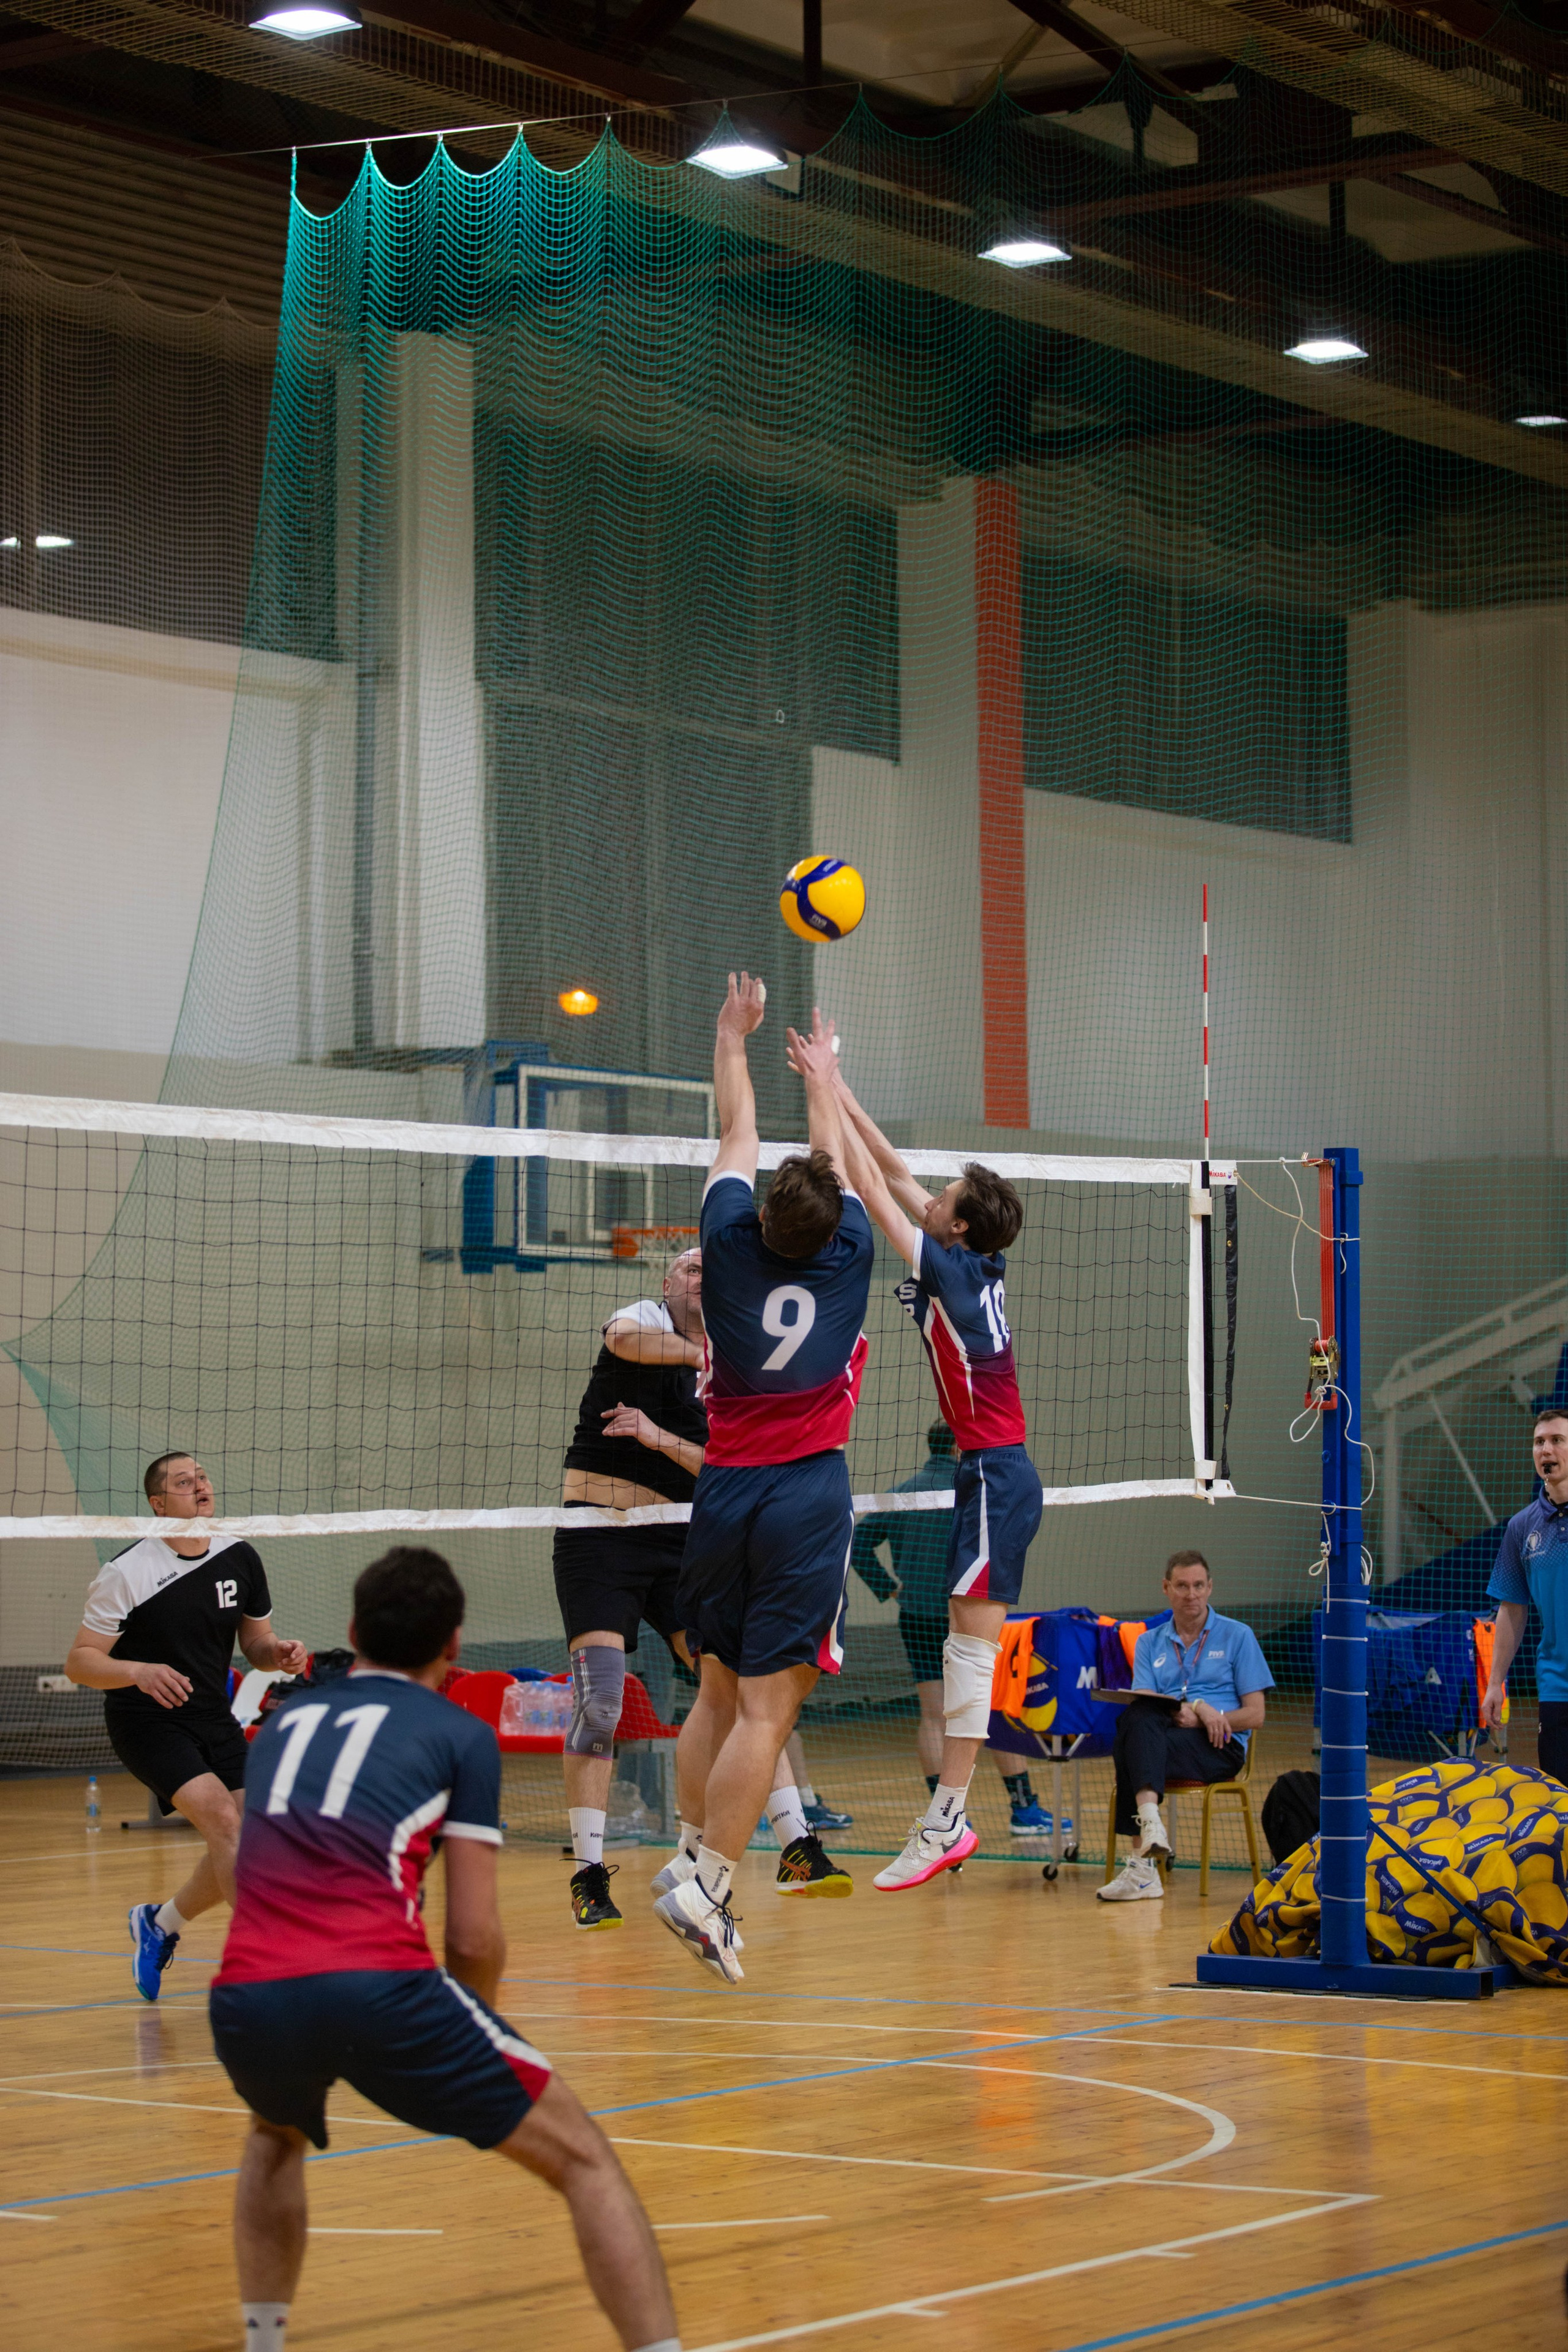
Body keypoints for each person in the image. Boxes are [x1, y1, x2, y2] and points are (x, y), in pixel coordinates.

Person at [208, 1545, 679, 2352]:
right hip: (379, 1990)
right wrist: (469, 2028)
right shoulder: (459, 1734)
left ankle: (263, 2342)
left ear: (353, 1632)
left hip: (246, 1991)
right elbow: (472, 1935)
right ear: (455, 1646)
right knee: (586, 2161)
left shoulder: (283, 1724)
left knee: (272, 2134)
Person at [652, 975, 874, 1980]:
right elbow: (833, 1157)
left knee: (715, 1695)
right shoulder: (851, 1251)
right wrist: (824, 1074)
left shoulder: (727, 1245)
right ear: (829, 1225)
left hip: (725, 1489)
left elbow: (738, 1129)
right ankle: (710, 1885)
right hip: (801, 1495)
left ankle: (689, 1861)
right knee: (769, 1711)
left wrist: (732, 1038)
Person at [823, 1053, 1042, 1891]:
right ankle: (950, 1811)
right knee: (961, 1647)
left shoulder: (949, 1268)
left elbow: (876, 1193)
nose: (934, 1196)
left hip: (995, 1474)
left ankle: (949, 1815)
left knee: (971, 1656)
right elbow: (901, 1176)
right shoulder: (966, 1258)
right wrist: (840, 1085)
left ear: (956, 1229)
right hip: (983, 1475)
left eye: (946, 1199)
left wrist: (821, 1102)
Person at [64, 1451, 307, 2001]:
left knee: (253, 1836)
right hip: (146, 1719)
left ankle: (160, 1922)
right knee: (223, 1819)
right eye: (183, 1481)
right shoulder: (126, 1572)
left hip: (211, 1717)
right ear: (158, 1503)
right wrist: (137, 1670)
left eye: (201, 1476)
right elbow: (80, 1661)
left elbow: (256, 1645)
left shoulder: (239, 1556)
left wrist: (280, 1653)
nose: (199, 1486)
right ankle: (267, 1968)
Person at [553, 1248, 707, 1931]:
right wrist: (704, 1358)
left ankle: (698, 1851)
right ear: (667, 1282)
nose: (702, 1274)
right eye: (690, 1266)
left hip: (681, 1543)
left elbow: (722, 1467)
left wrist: (658, 1436)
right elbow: (622, 1340)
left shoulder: (737, 1362)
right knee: (603, 1700)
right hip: (600, 1538)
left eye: (713, 1268)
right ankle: (588, 1873)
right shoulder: (640, 1320)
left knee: (728, 1682)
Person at [851, 1422, 1054, 1834]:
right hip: (969, 1614)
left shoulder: (905, 1493)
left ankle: (942, 1816)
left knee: (933, 1715)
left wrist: (888, 1588)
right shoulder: (979, 1489)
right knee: (987, 1705)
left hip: (917, 1616)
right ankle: (1024, 1809)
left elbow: (856, 1543)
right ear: (963, 1444)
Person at [1098, 1547, 1272, 1902]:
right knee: (1137, 1716)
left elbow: (1256, 1715)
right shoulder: (1149, 1642)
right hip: (1167, 1735)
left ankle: (1142, 1868)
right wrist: (1195, 1706)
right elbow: (1144, 1698)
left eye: (1198, 1586)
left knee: (1131, 1742)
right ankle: (1151, 1827)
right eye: (1181, 1586)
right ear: (1166, 1588)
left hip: (1219, 1746)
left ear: (1210, 1588)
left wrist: (1213, 1716)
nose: (1190, 1594)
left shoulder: (1238, 1636)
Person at [1483, 1405, 1568, 1778]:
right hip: (1556, 1687)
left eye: (1557, 1441)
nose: (1546, 1450)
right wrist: (1495, 1682)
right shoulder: (1522, 1528)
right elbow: (1512, 1609)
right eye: (1539, 1442)